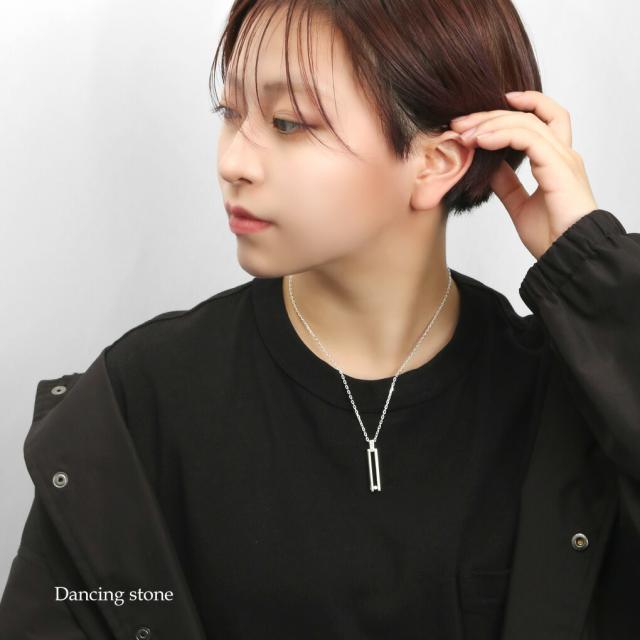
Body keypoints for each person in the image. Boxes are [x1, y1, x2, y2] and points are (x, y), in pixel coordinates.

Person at [1, 1, 639, 638]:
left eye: (287, 123)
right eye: (230, 113)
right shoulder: (140, 401)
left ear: (436, 162)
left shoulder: (573, 405)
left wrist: (593, 270)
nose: (233, 161)